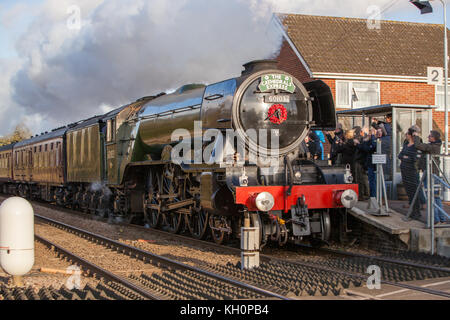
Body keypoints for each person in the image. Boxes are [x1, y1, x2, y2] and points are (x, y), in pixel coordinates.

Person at [413, 130, 448, 224]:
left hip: (431, 175)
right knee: (435, 197)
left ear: (433, 138)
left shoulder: (433, 147)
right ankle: (441, 219)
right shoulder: (432, 146)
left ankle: (436, 219)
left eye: (429, 136)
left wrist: (416, 136)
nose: (428, 137)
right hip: (429, 174)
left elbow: (419, 146)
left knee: (432, 197)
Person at [399, 128, 421, 221]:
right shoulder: (405, 144)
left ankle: (416, 212)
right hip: (404, 170)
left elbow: (415, 158)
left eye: (407, 133)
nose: (406, 135)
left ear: (411, 135)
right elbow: (400, 155)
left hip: (411, 171)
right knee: (408, 191)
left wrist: (406, 157)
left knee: (413, 191)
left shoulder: (415, 146)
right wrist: (405, 157)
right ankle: (412, 211)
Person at [353, 127, 370, 200]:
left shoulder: (365, 140)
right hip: (359, 160)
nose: (360, 133)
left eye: (361, 131)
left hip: (362, 161)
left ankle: (364, 194)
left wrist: (358, 144)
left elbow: (364, 149)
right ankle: (362, 194)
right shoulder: (363, 139)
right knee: (360, 178)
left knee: (362, 179)